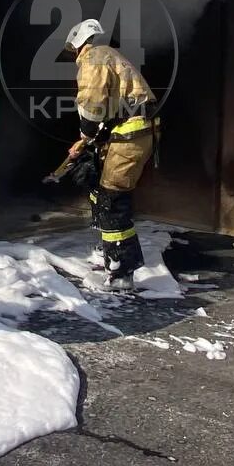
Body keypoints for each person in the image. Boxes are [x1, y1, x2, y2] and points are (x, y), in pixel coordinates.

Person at [62, 19, 158, 288]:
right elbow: (112, 107)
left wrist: (85, 133)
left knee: (111, 200)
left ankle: (122, 271)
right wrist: (91, 139)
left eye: (73, 51)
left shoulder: (93, 58)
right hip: (129, 132)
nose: (75, 57)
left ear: (78, 44)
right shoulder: (109, 55)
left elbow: (92, 103)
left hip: (130, 136)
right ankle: (108, 251)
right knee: (98, 189)